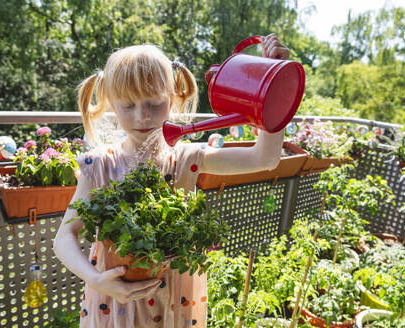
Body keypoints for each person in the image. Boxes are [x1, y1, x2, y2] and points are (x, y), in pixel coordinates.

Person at [53, 33, 290, 328]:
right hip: (113, 304)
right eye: (128, 105)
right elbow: (64, 237)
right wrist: (96, 280)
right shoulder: (97, 165)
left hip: (175, 303)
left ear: (174, 97)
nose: (142, 116)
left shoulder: (187, 158)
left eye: (154, 102)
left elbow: (264, 159)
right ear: (111, 103)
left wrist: (273, 83)